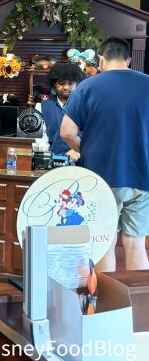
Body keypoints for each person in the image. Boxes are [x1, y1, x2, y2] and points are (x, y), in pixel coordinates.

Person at [61, 37, 149, 272]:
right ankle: (138, 295)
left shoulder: (87, 87)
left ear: (100, 59)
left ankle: (106, 296)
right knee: (136, 244)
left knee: (104, 242)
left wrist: (85, 149)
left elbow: (66, 132)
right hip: (142, 176)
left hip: (101, 178)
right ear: (128, 60)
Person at [35, 63, 85, 162]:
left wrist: (77, 151)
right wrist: (43, 150)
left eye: (70, 84)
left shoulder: (84, 107)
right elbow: (41, 135)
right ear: (54, 84)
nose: (66, 87)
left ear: (76, 84)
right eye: (61, 83)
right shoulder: (42, 106)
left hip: (79, 163)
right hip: (51, 162)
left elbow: (90, 134)